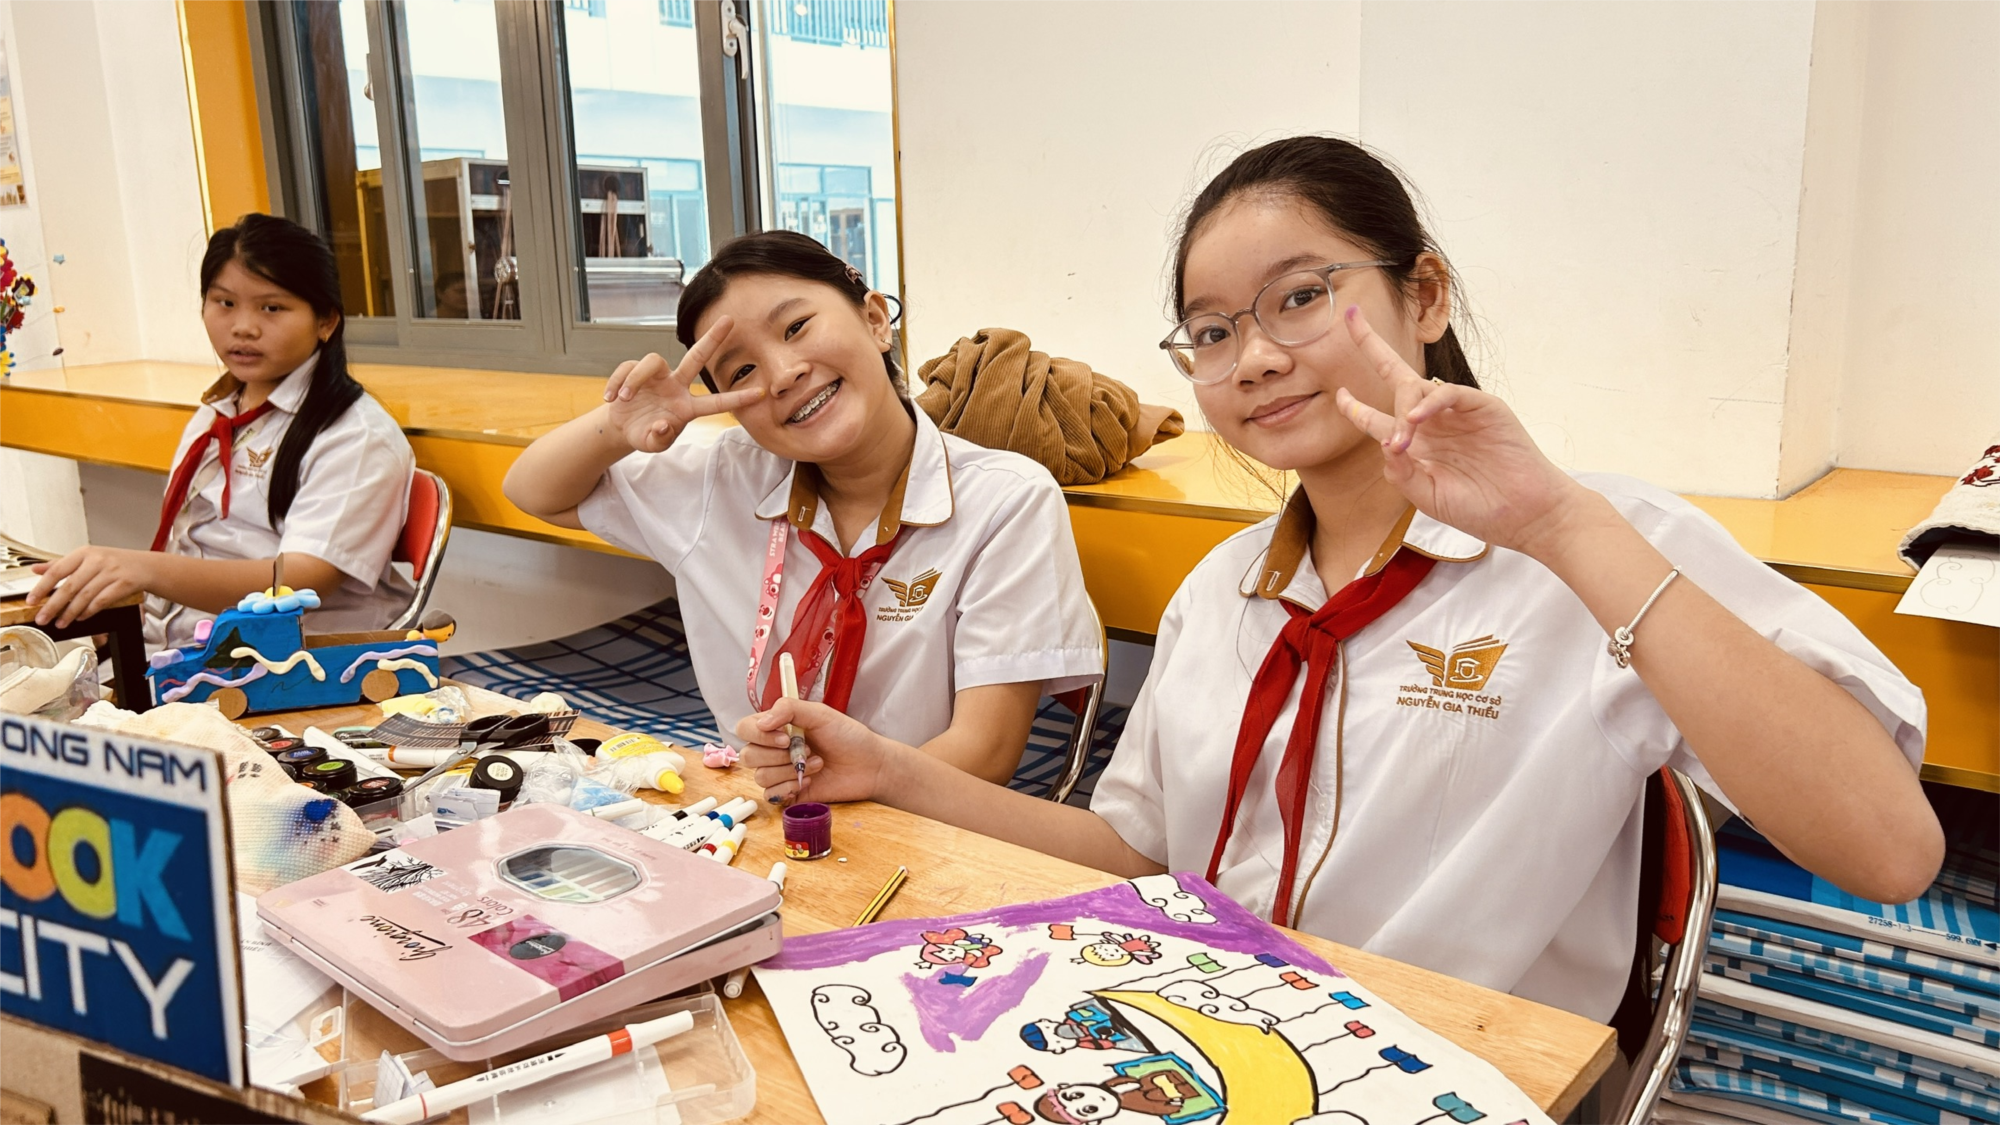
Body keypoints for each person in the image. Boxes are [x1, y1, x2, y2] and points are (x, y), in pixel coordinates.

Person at [733, 137, 1943, 1021]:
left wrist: (1560, 529)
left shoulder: (1596, 541)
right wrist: (888, 768)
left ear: (1423, 295)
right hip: (1212, 1041)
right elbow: (1139, 861)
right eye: (1212, 331)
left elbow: (1888, 854)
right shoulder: (1223, 591)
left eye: (1300, 298)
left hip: (1463, 1074)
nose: (1253, 357)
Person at [504, 230, 1100, 784]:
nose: (783, 374)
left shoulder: (1005, 501)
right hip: (763, 809)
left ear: (874, 320)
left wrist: (837, 787)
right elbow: (534, 491)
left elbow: (985, 754)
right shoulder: (724, 479)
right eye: (742, 370)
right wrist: (618, 426)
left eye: (795, 328)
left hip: (928, 819)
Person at [29, 213, 415, 651]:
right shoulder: (219, 410)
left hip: (297, 661)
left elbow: (304, 580)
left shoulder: (355, 435)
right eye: (225, 303)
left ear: (326, 321)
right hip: (193, 644)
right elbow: (193, 546)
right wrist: (120, 601)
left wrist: (145, 571)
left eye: (272, 308)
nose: (243, 327)